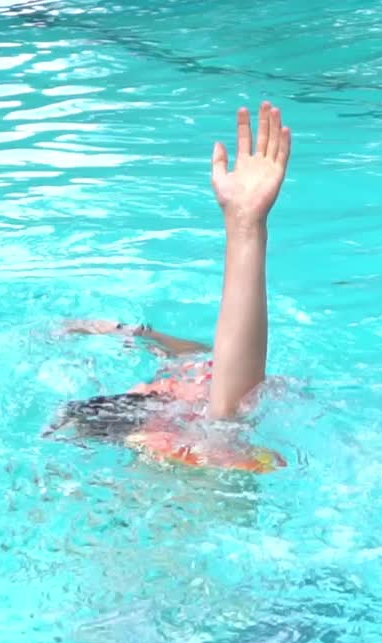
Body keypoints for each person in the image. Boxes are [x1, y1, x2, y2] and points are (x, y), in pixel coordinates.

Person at [50, 101, 292, 473]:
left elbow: (197, 357)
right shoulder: (205, 433)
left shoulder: (186, 381)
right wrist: (245, 227)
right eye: (152, 394)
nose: (145, 385)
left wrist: (124, 331)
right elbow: (228, 404)